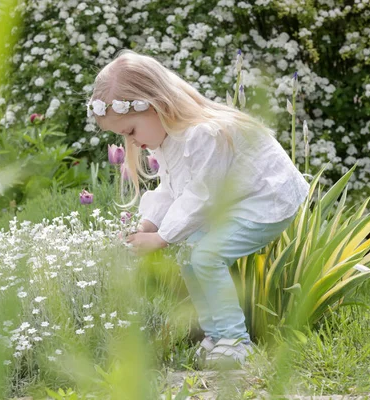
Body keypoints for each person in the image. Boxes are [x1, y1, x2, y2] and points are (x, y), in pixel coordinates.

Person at [86, 49, 310, 368]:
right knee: (190, 253)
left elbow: (200, 196)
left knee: (206, 255)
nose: (131, 143)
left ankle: (235, 342)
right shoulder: (167, 140)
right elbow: (171, 189)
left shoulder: (202, 135)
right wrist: (149, 224)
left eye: (131, 131)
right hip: (235, 201)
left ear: (157, 106)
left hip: (266, 200)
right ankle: (216, 336)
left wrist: (162, 238)